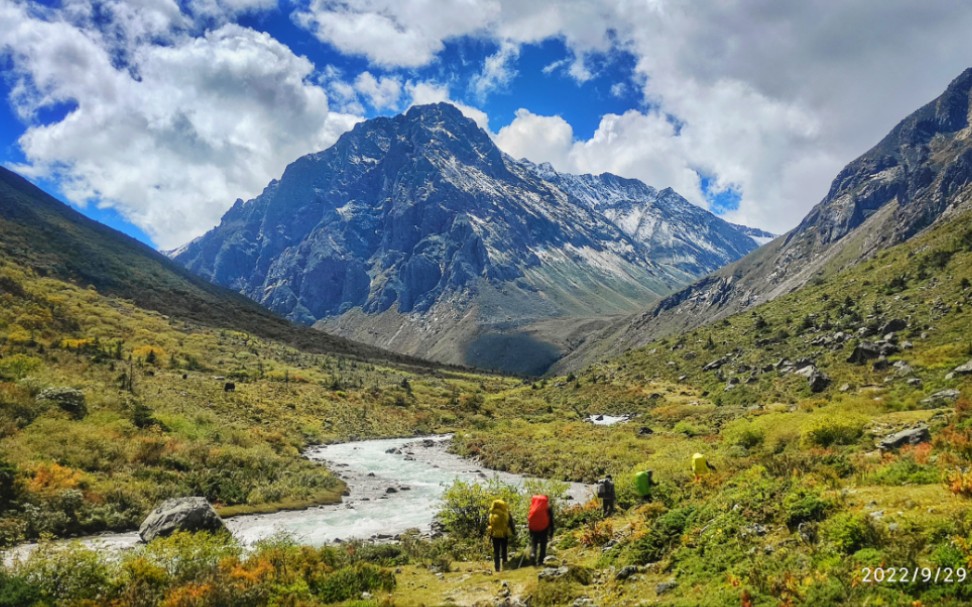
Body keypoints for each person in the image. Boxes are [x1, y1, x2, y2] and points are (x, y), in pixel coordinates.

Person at [487, 499, 514, 572]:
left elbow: (489, 524)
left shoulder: (491, 513)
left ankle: (497, 568)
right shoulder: (506, 512)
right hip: (504, 534)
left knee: (496, 552)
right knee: (504, 550)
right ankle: (505, 566)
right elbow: (511, 523)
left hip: (495, 534)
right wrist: (513, 532)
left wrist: (489, 536)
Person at [527, 494, 555, 566]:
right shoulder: (548, 507)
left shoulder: (533, 507)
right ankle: (540, 561)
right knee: (543, 544)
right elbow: (551, 520)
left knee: (534, 543)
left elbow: (530, 518)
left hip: (534, 528)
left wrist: (530, 530)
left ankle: (533, 554)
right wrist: (551, 532)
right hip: (544, 528)